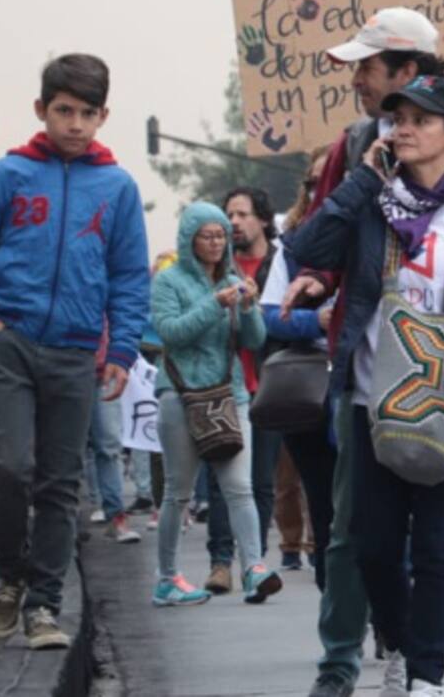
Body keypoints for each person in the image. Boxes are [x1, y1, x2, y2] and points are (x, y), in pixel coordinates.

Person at [284, 9, 444, 697]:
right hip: (370, 387)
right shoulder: (358, 153)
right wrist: (324, 264)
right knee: (359, 541)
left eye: (368, 67)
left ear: (413, 72)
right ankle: (351, 660)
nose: (359, 83)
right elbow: (312, 246)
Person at [0, 54, 150, 650]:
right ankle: (8, 578)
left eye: (87, 113)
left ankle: (43, 604)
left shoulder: (117, 187)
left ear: (103, 117)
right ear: (42, 110)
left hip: (75, 352)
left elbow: (127, 276)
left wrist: (121, 348)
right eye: (64, 111)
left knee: (59, 482)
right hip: (10, 343)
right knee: (8, 466)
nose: (74, 123)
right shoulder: (7, 176)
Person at [151, 202, 283, 608]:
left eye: (220, 235)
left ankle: (254, 567)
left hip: (229, 394)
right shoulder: (168, 281)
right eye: (206, 236)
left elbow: (254, 340)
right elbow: (171, 332)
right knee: (178, 491)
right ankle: (168, 577)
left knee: (239, 487)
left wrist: (248, 307)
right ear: (189, 240)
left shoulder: (233, 277)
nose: (214, 243)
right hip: (180, 394)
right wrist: (217, 304)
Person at [262, 146, 336, 589]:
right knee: (323, 503)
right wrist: (318, 319)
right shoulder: (291, 246)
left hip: (370, 382)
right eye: (313, 183)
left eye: (331, 182)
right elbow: (272, 315)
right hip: (312, 388)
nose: (320, 191)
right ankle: (338, 623)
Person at [203, 186, 284, 594]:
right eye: (228, 215)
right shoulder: (216, 266)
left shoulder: (279, 262)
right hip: (224, 384)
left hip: (269, 384)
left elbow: (289, 316)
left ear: (264, 220)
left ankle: (256, 564)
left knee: (261, 481)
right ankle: (220, 562)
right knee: (222, 477)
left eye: (242, 214)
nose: (233, 223)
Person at [86, 325, 143, 544]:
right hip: (66, 365)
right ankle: (64, 521)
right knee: (66, 449)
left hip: (103, 370)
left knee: (109, 445)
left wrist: (120, 357)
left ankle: (116, 515)